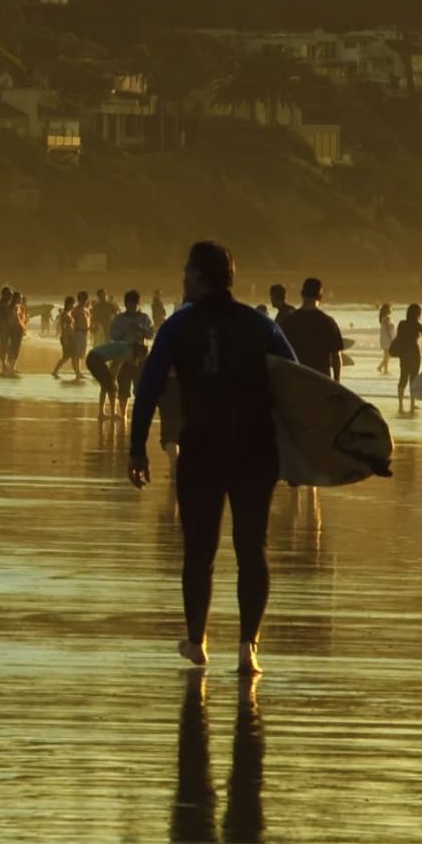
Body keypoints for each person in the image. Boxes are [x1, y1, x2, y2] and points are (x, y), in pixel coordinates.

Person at [129, 242, 295, 674]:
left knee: (199, 550)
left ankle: (198, 640)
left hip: (203, 446)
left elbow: (147, 387)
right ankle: (248, 648)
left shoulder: (178, 326)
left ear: (201, 277)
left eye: (186, 272)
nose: (182, 279)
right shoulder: (261, 326)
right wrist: (302, 454)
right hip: (255, 448)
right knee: (251, 547)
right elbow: (297, 386)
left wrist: (137, 448)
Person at [276, 277, 343, 382]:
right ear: (320, 297)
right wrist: (336, 382)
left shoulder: (289, 321)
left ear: (302, 294)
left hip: (297, 379)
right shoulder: (328, 322)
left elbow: (282, 354)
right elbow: (336, 357)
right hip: (321, 381)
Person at [390, 303, 422, 414]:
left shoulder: (402, 324)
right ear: (417, 314)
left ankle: (400, 404)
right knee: (414, 378)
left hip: (404, 353)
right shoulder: (418, 325)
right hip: (414, 353)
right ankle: (412, 403)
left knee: (403, 377)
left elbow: (399, 337)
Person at [375, 304, 395, 374]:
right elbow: (388, 329)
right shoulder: (386, 318)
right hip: (387, 338)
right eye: (390, 308)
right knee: (388, 354)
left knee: (387, 355)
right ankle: (383, 369)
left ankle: (382, 368)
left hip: (384, 338)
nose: (391, 309)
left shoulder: (383, 318)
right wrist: (392, 339)